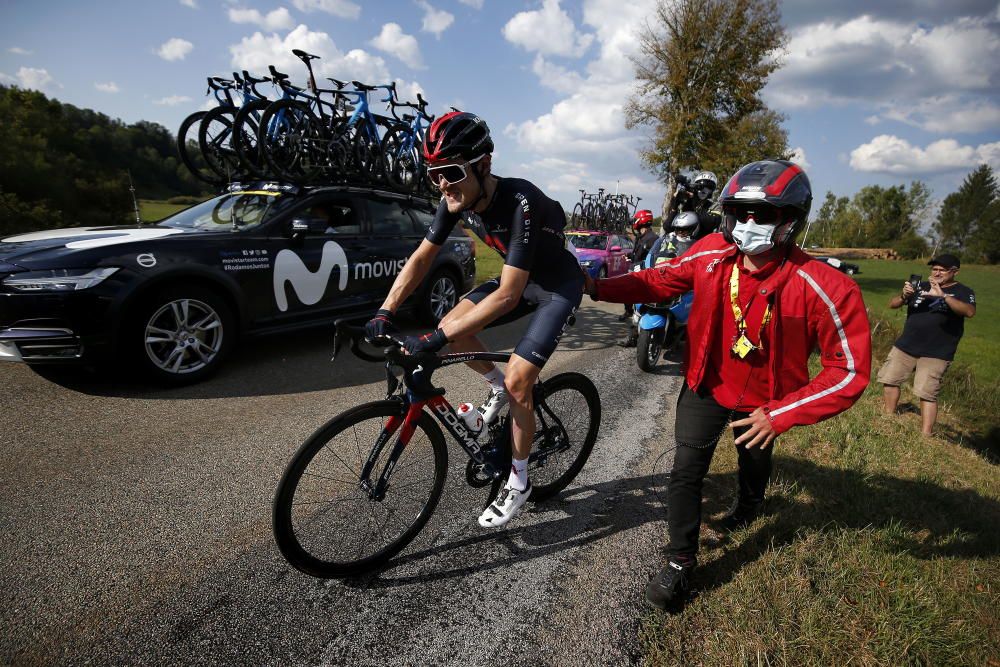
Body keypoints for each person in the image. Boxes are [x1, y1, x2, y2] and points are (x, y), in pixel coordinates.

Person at [583, 159, 872, 611]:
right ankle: (681, 560)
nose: (749, 224)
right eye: (740, 212)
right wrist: (597, 288)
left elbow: (849, 370)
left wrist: (781, 414)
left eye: (765, 215)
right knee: (685, 470)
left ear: (792, 221)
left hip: (765, 403)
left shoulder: (827, 287)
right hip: (706, 385)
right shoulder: (710, 252)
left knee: (753, 459)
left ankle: (750, 503)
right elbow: (659, 281)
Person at [365, 111, 583, 529]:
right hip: (518, 277)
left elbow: (508, 296)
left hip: (555, 285)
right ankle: (494, 387)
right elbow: (422, 257)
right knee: (450, 329)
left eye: (450, 171)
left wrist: (433, 337)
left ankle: (519, 482)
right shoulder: (454, 200)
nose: (443, 183)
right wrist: (386, 309)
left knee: (520, 379)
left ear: (483, 165)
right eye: (434, 175)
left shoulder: (521, 200)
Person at [877, 254, 976, 435]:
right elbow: (893, 304)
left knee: (926, 392)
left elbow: (969, 312)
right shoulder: (920, 286)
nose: (937, 272)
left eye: (942, 270)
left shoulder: (964, 291)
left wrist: (943, 296)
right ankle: (888, 416)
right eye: (934, 269)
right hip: (906, 345)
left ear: (954, 272)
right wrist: (904, 295)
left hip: (936, 352)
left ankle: (926, 434)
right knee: (890, 379)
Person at [618, 210, 658, 323]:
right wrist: (629, 256)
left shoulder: (652, 238)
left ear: (641, 221)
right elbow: (637, 254)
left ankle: (638, 321)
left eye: (635, 220)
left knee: (638, 299)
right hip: (635, 270)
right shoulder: (641, 237)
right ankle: (629, 311)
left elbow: (651, 258)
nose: (634, 222)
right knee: (627, 292)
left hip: (643, 274)